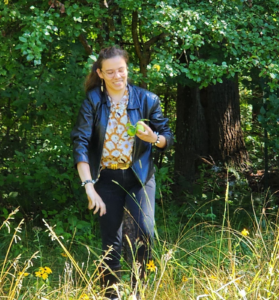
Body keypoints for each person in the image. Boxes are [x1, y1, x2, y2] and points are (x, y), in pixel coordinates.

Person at [70, 46, 173, 299]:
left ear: (128, 70)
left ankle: (139, 292)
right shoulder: (93, 101)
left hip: (140, 177)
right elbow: (80, 143)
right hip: (106, 179)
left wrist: (154, 137)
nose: (117, 76)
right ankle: (111, 295)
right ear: (101, 73)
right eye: (111, 72)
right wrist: (89, 186)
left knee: (145, 232)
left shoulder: (147, 99)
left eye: (121, 70)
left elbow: (167, 137)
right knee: (111, 243)